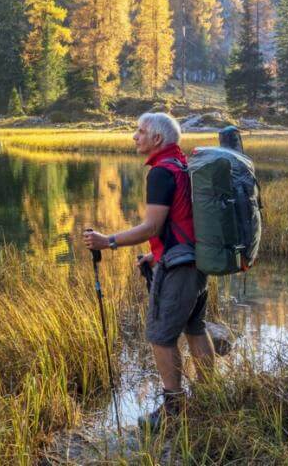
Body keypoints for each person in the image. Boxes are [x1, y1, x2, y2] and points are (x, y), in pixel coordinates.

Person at [82, 112, 214, 430]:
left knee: (160, 337)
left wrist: (107, 241)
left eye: (140, 132)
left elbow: (152, 225)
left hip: (180, 268)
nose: (135, 137)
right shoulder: (182, 166)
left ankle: (173, 409)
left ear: (157, 139)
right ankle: (212, 394)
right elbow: (180, 222)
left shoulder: (161, 173)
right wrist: (155, 255)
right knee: (195, 328)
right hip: (196, 262)